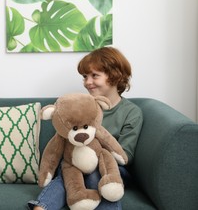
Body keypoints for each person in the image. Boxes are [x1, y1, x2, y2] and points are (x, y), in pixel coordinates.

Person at [28, 47, 143, 210]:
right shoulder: (80, 107)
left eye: (94, 76)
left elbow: (126, 156)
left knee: (94, 172)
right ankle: (42, 207)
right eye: (85, 77)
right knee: (68, 172)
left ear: (116, 75)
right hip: (76, 163)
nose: (87, 82)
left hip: (112, 169)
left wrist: (94, 151)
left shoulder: (131, 112)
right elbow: (64, 138)